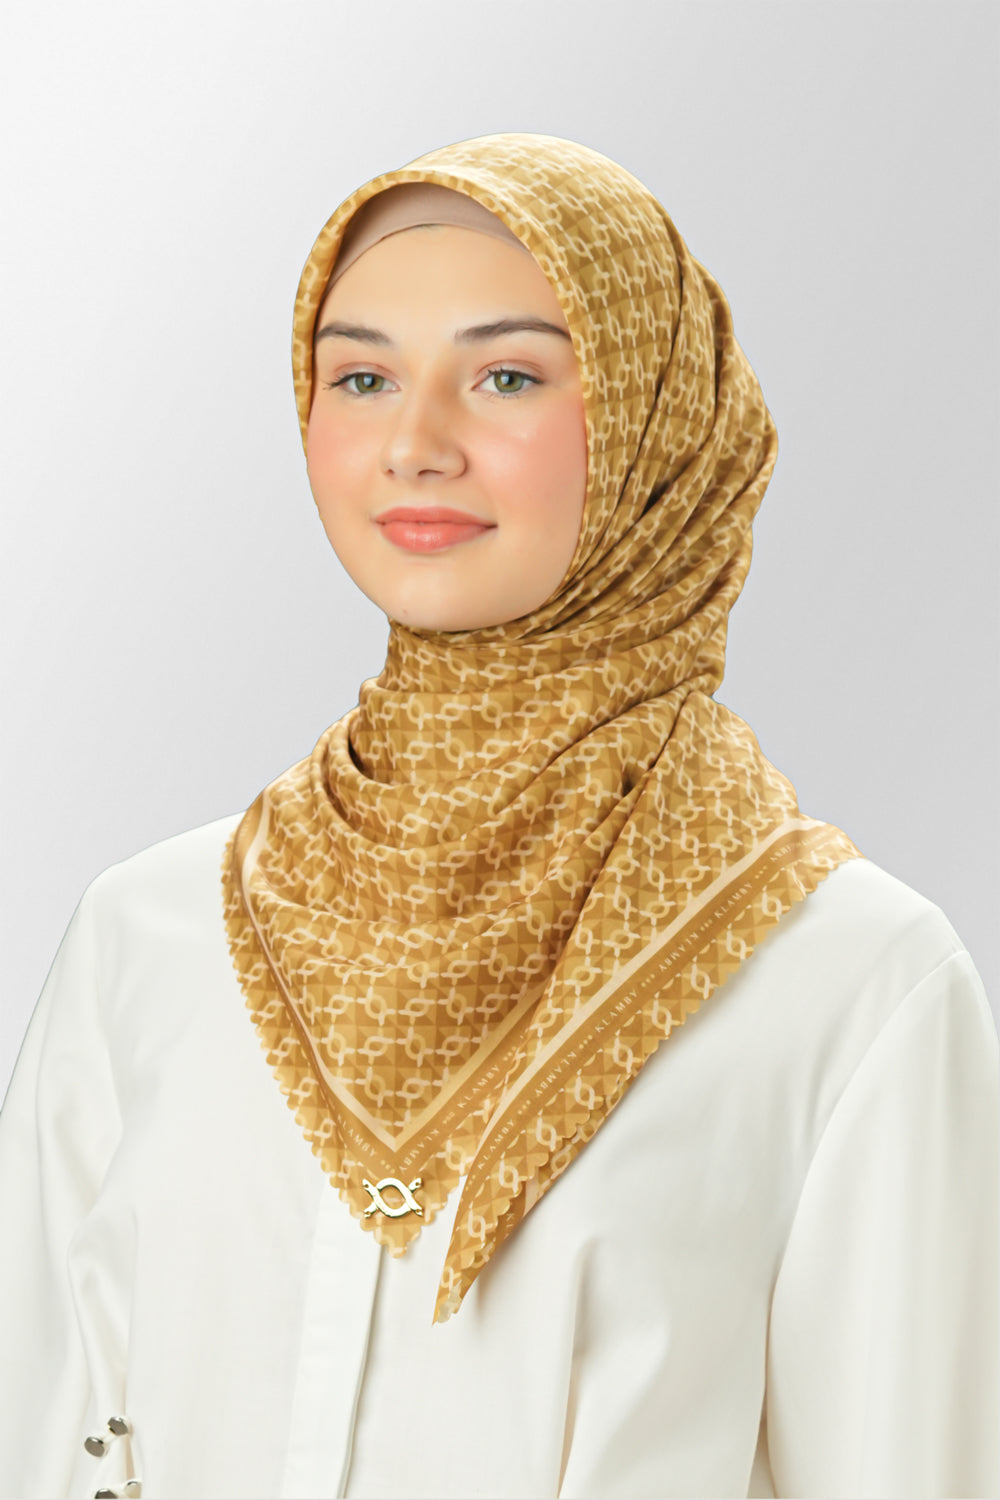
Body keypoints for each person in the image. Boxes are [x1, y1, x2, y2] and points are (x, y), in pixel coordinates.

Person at [0, 132, 996, 1500]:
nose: (414, 446)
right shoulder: (149, 940)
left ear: (654, 421)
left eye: (508, 376)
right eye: (361, 378)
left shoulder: (854, 986)